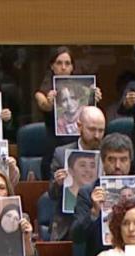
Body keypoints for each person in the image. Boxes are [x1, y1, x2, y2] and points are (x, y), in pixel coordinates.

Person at [34, 47, 102, 180]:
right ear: (52, 66)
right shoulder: (43, 92)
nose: (63, 67)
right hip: (55, 149)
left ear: (72, 67)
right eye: (59, 63)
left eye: (67, 63)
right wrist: (49, 103)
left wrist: (93, 98)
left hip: (80, 146)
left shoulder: (82, 89)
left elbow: (88, 115)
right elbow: (44, 105)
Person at [45, 106, 105, 239]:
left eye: (101, 131)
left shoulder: (107, 155)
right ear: (79, 126)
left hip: (99, 220)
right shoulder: (61, 154)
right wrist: (58, 183)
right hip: (67, 221)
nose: (97, 135)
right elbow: (52, 194)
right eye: (92, 129)